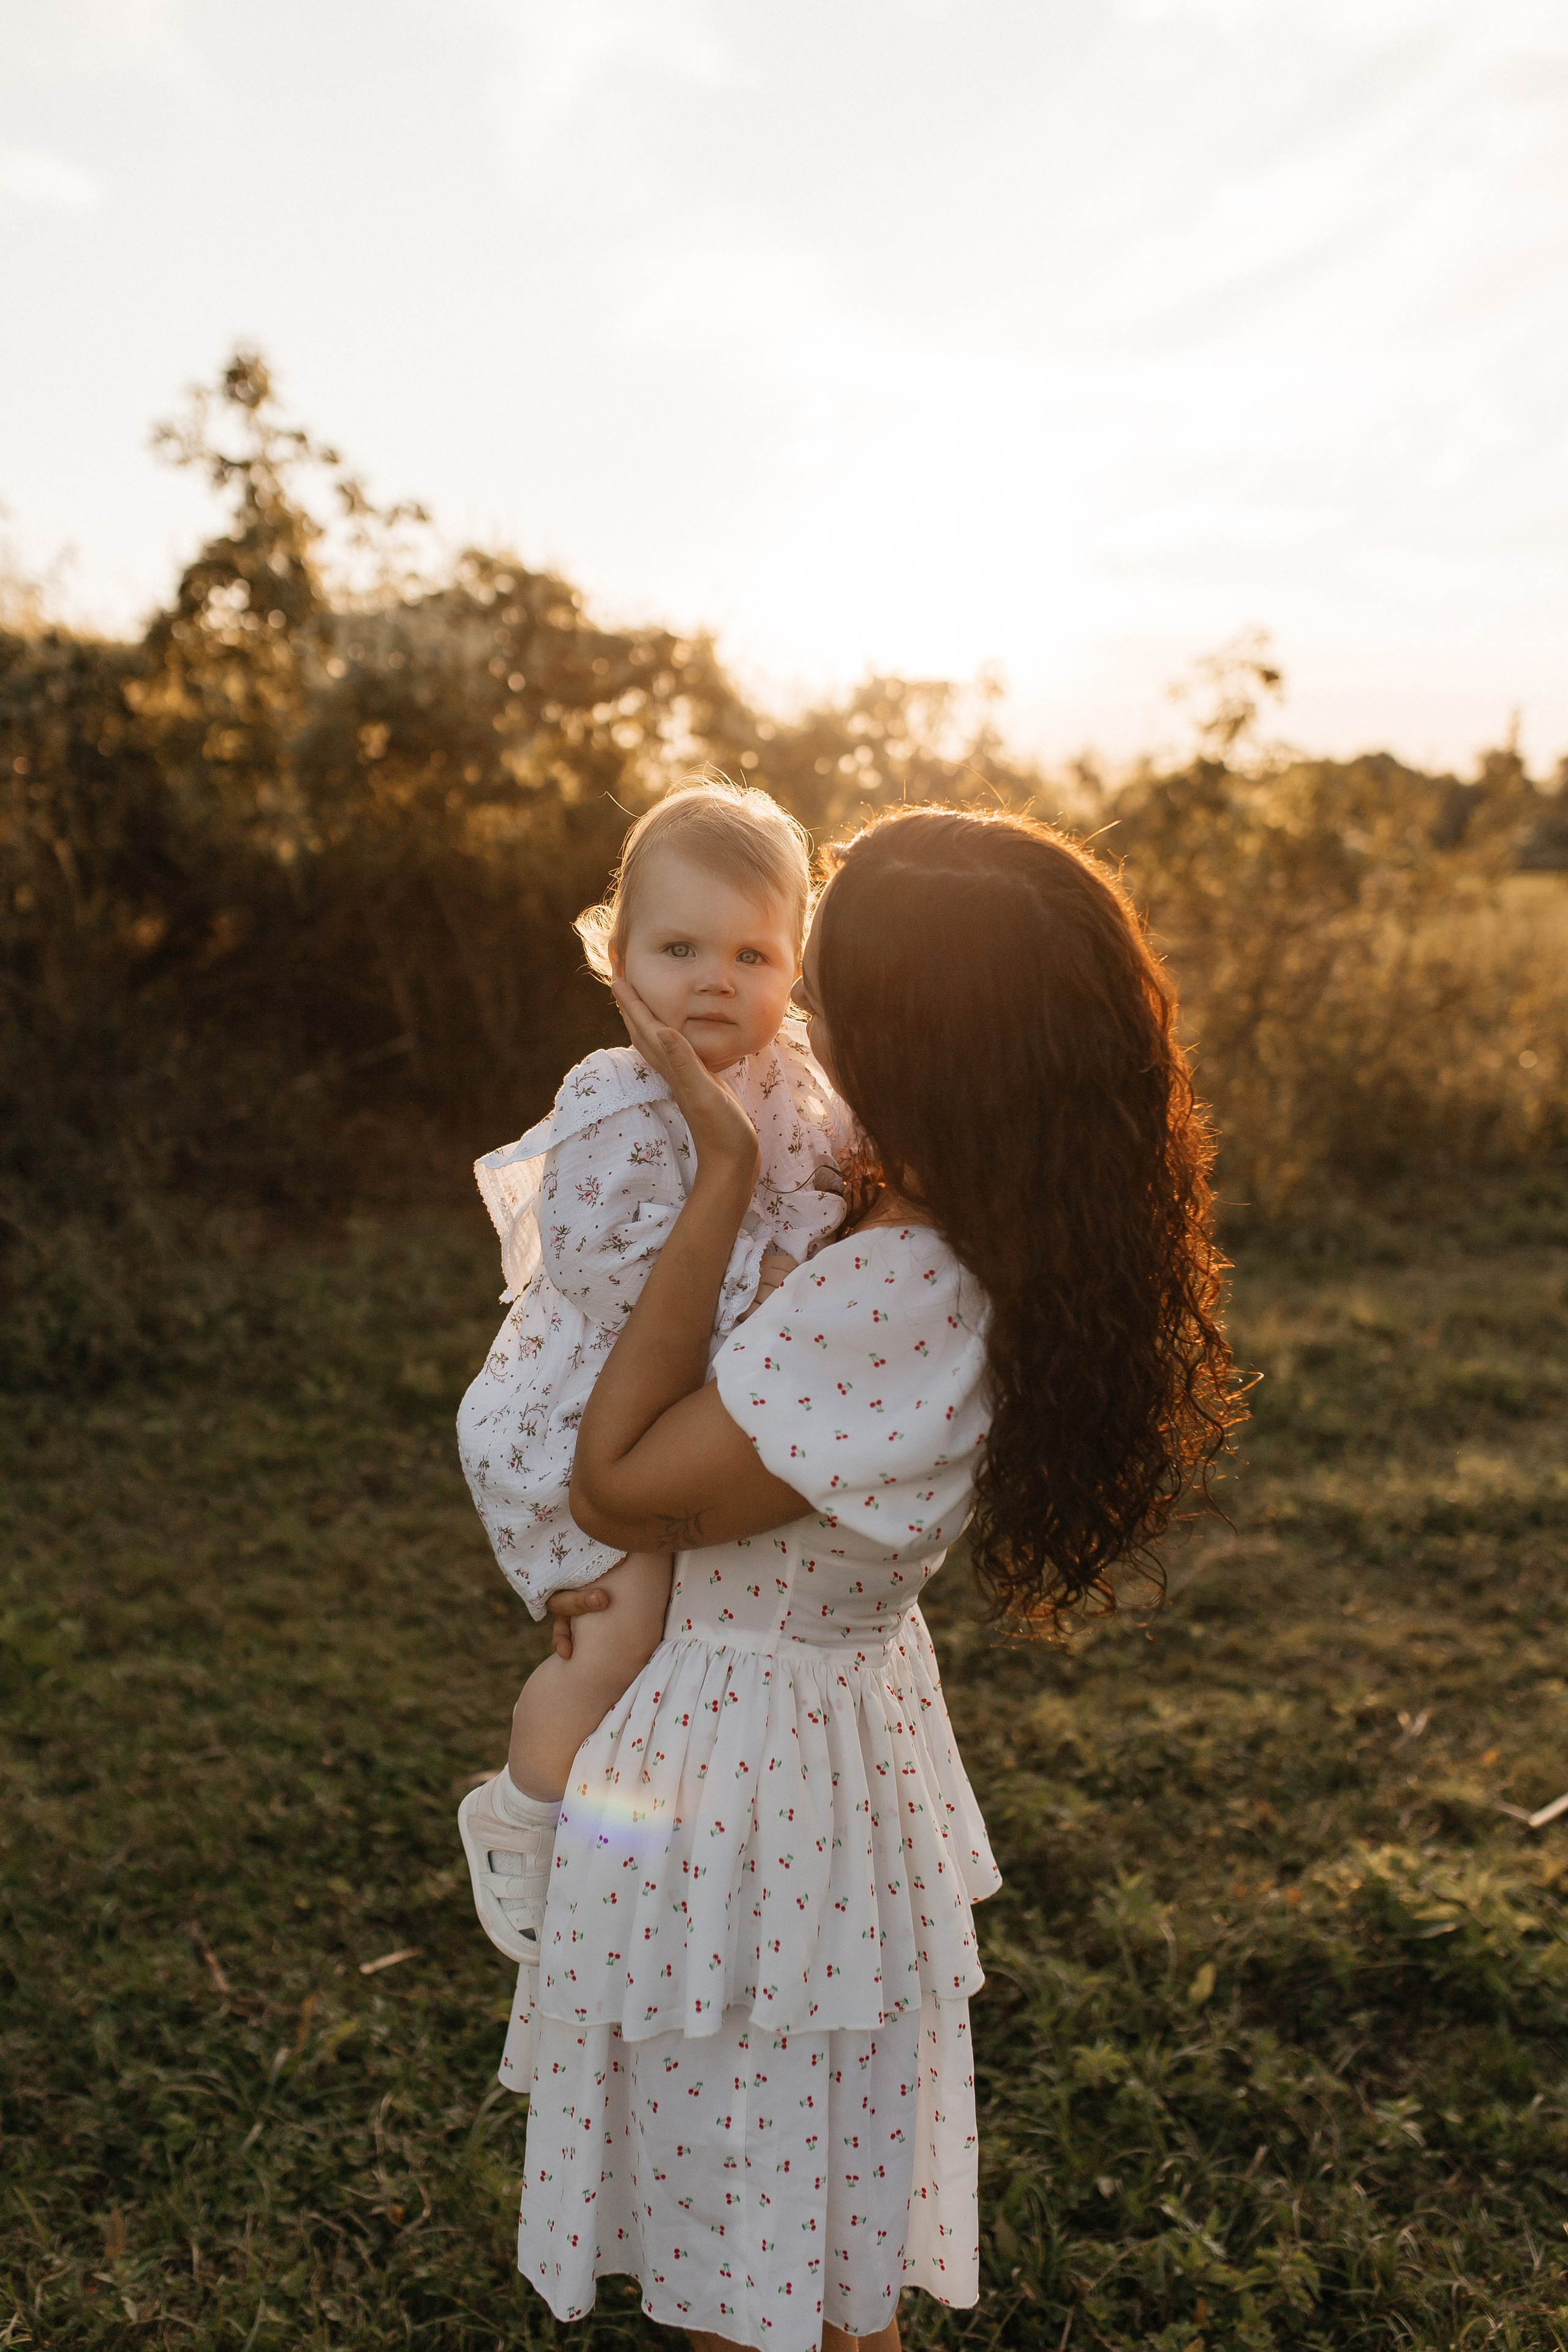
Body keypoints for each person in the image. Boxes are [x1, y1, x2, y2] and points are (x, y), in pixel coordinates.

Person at [508, 804, 1240, 2352]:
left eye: (826, 979)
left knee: (741, 2276)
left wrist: (713, 1163)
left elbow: (613, 1481)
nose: (803, 1011)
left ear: (923, 1042)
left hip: (743, 1791)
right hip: (825, 1759)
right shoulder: (948, 1221)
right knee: (808, 2249)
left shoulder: (896, 1286)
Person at [456, 782, 847, 1974]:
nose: (716, 981)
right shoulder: (609, 1096)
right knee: (620, 1636)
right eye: (679, 950)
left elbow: (831, 1192)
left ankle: (652, 1845)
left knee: (707, 1630)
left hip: (695, 1401)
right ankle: (517, 1814)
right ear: (617, 960)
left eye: (751, 952)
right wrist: (762, 1285)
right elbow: (597, 1268)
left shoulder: (794, 1084)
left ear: (793, 967)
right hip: (576, 1410)